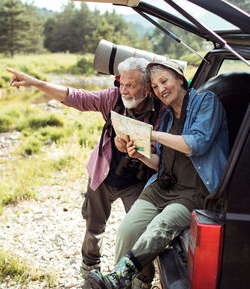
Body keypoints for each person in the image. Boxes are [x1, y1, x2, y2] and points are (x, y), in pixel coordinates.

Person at [6, 57, 165, 289]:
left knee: (139, 231)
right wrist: (36, 83)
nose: (125, 90)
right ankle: (90, 274)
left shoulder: (161, 111)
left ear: (148, 87)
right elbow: (76, 97)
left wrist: (137, 150)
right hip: (103, 176)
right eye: (122, 84)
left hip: (138, 181)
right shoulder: (112, 98)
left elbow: (163, 157)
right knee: (94, 227)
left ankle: (141, 280)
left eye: (131, 85)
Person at [87, 59, 229, 289]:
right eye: (154, 86)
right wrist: (139, 154)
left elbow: (196, 144)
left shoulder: (206, 102)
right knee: (127, 230)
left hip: (194, 191)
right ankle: (122, 283)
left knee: (161, 226)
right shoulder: (167, 117)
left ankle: (117, 278)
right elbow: (160, 163)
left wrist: (152, 135)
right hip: (163, 185)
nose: (160, 89)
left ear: (180, 79)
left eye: (164, 81)